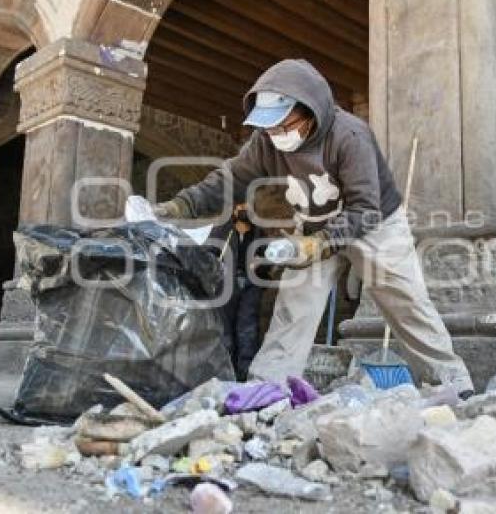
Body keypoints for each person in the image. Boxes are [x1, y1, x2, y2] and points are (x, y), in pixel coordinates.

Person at [155, 59, 474, 397]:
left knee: (405, 300)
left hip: (374, 222)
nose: (276, 136)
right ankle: (266, 389)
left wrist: (320, 244)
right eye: (270, 129)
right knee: (295, 303)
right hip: (312, 222)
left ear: (310, 114)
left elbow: (365, 209)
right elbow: (229, 178)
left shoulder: (350, 136)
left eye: (283, 126)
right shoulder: (266, 142)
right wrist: (182, 206)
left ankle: (452, 383)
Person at [210, 204, 263, 381]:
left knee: (247, 330)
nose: (244, 209)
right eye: (240, 205)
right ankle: (225, 374)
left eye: (247, 205)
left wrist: (262, 262)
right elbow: (209, 254)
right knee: (224, 330)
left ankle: (243, 376)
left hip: (252, 284)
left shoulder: (260, 231)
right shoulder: (223, 230)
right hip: (226, 285)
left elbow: (272, 254)